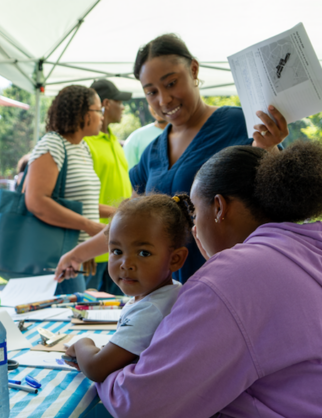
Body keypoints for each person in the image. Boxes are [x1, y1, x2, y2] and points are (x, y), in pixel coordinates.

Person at [96, 141, 322, 418]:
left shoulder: (232, 276)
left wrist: (100, 366)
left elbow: (140, 405)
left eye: (195, 215)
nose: (195, 231)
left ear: (219, 208)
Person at [55, 33, 288, 284]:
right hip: (172, 296)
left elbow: (283, 200)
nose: (163, 100)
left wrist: (270, 149)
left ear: (194, 70)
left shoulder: (240, 125)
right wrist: (77, 254)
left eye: (171, 83)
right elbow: (130, 225)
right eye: (151, 92)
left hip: (234, 285)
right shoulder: (152, 153)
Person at [64, 194, 192, 387]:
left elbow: (96, 368)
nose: (126, 264)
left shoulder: (151, 310)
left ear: (175, 259)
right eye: (117, 251)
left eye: (143, 253)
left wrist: (83, 343)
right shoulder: (170, 292)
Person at [25, 85, 108, 294]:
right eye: (99, 110)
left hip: (74, 256)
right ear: (83, 113)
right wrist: (88, 226)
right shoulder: (53, 144)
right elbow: (36, 200)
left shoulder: (82, 147)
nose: (102, 117)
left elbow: (78, 201)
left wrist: (117, 213)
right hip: (55, 258)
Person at [82, 79, 134, 295]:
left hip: (120, 246)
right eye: (119, 101)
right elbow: (79, 199)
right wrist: (86, 248)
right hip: (94, 250)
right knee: (85, 314)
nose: (123, 106)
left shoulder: (115, 141)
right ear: (105, 103)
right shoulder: (85, 142)